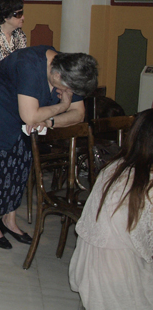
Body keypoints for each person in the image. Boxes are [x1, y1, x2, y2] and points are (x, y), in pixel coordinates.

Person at [0, 47, 96, 249]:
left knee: (19, 166)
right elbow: (31, 116)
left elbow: (79, 114)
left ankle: (9, 220)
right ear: (57, 75)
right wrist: (62, 107)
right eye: (68, 89)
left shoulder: (70, 71)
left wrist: (49, 121)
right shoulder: (30, 65)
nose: (69, 94)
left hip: (21, 115)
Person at [69, 109, 153, 309]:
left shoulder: (114, 167)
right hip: (118, 275)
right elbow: (145, 243)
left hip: (88, 265)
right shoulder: (147, 182)